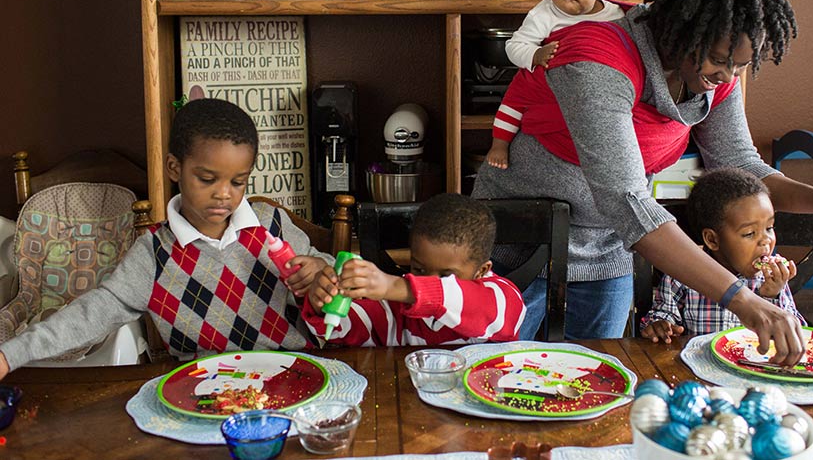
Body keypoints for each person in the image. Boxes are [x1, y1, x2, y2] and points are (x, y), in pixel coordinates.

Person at [473, 0, 813, 364]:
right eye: (721, 61)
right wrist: (743, 300)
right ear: (683, 34)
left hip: (607, 252)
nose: (728, 76)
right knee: (495, 376)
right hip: (519, 248)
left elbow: (742, 164)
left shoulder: (715, 78)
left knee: (583, 383)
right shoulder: (597, 56)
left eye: (741, 66)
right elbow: (628, 200)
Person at [0, 98, 335, 379]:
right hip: (205, 393)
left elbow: (335, 278)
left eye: (238, 182)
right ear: (175, 168)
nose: (224, 194)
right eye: (207, 179)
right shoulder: (154, 254)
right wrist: (9, 355)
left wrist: (321, 274)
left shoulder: (270, 224)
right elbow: (90, 314)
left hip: (294, 376)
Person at [486, 0, 625, 170]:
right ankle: (500, 143)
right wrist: (535, 54)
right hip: (550, 78)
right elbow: (515, 45)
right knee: (517, 93)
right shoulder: (545, 12)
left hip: (595, 82)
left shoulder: (616, 15)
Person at [305, 193, 524, 346]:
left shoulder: (502, 298)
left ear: (481, 270)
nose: (428, 279)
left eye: (446, 275)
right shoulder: (398, 305)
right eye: (419, 269)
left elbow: (484, 309)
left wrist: (394, 286)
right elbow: (346, 329)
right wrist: (323, 304)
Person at [641, 168, 806, 342]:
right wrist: (660, 325)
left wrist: (772, 297)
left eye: (769, 228)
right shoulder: (683, 273)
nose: (766, 240)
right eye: (750, 233)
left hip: (752, 365)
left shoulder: (771, 280)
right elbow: (662, 313)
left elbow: (797, 332)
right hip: (696, 365)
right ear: (712, 239)